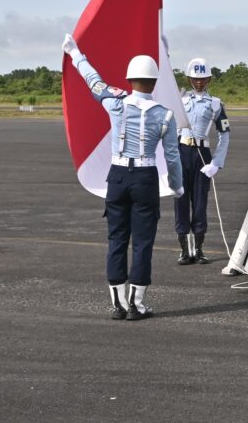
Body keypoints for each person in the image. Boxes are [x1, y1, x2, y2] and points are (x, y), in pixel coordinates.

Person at [63, 34, 184, 320]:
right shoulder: (165, 116)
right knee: (142, 242)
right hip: (145, 178)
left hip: (117, 177)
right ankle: (137, 304)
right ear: (154, 82)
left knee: (116, 239)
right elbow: (173, 157)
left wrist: (74, 52)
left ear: (129, 80)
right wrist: (177, 187)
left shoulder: (115, 102)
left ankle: (117, 303)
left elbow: (92, 80)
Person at [174, 57, 231, 265]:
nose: (199, 82)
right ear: (189, 78)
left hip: (202, 155)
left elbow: (224, 134)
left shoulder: (215, 104)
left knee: (200, 202)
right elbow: (170, 129)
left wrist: (216, 162)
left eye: (203, 78)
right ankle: (183, 250)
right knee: (180, 200)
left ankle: (198, 249)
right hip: (181, 151)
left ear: (209, 79)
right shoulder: (179, 100)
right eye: (195, 79)